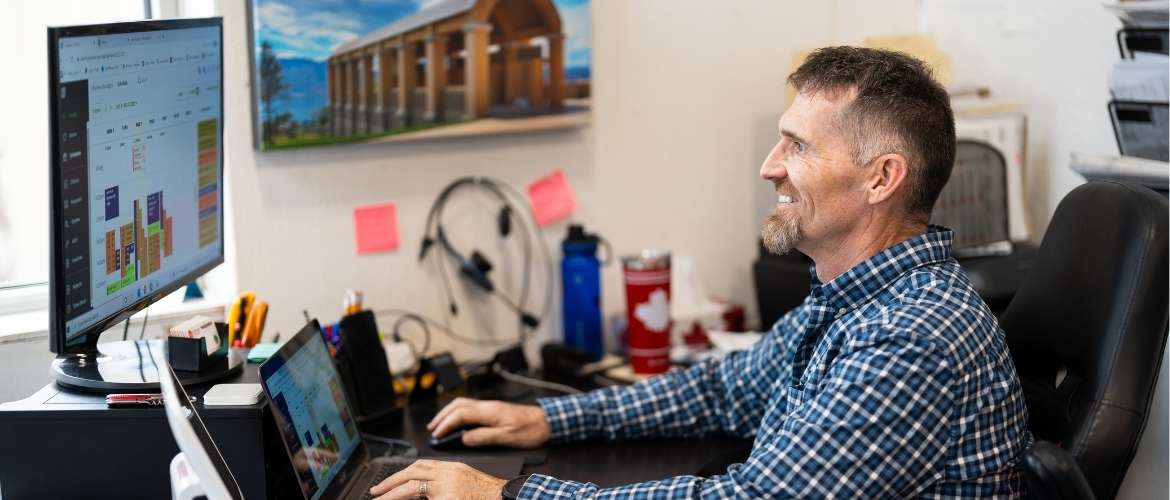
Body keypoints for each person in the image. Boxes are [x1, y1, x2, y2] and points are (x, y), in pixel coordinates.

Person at [369, 46, 1032, 499]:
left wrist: (508, 493)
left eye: (798, 147)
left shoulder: (911, 336)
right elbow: (721, 390)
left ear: (882, 178)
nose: (769, 166)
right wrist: (549, 420)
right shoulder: (851, 299)